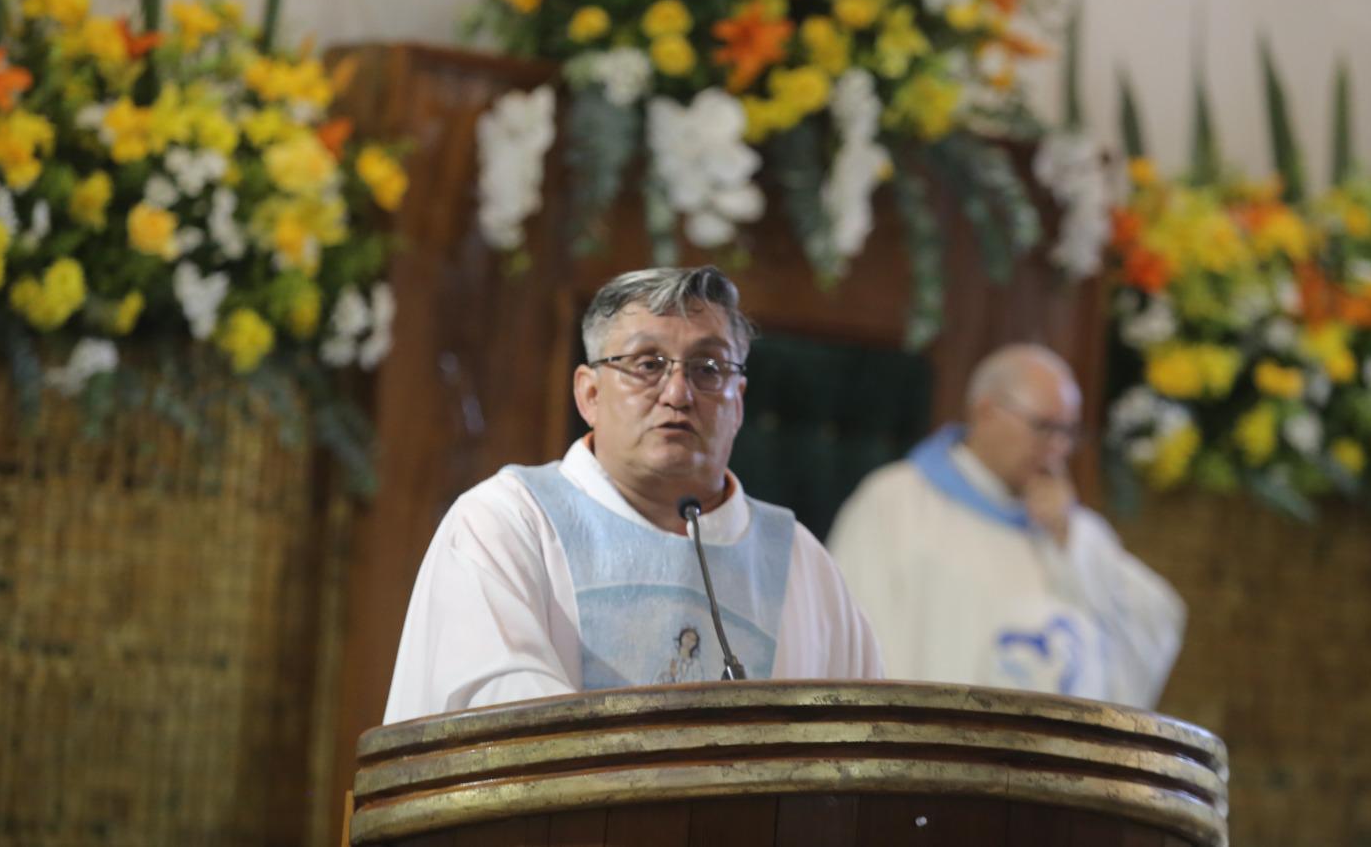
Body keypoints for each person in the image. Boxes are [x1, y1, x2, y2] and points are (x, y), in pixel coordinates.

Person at [384, 266, 883, 722]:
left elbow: (865, 747)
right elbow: (499, 727)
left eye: (708, 368)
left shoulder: (799, 562)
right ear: (590, 394)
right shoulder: (507, 524)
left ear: (739, 403)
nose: (678, 393)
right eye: (647, 364)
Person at [827, 344, 1185, 709]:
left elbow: (1154, 621)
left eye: (1069, 432)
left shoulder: (1071, 529)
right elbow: (853, 647)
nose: (1057, 447)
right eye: (1044, 427)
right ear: (985, 412)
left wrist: (1070, 539)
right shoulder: (895, 503)